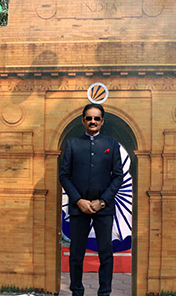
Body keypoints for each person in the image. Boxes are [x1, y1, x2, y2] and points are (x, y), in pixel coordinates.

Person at [59, 103, 123, 296]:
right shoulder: (72, 144)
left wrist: (102, 201)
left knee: (106, 254)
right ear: (83, 120)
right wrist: (79, 200)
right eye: (89, 118)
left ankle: (104, 292)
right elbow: (64, 175)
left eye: (96, 118)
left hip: (104, 208)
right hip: (79, 208)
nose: (92, 121)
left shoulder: (111, 144)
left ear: (102, 121)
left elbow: (118, 176)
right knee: (76, 254)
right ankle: (76, 291)